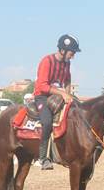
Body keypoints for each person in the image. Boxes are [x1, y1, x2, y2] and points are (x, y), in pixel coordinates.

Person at [34, 34, 79, 170]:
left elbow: (67, 80)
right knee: (47, 122)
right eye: (72, 53)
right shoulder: (47, 61)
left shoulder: (67, 63)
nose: (73, 56)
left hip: (58, 97)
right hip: (42, 97)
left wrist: (68, 94)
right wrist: (62, 93)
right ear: (63, 50)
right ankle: (42, 158)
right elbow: (42, 86)